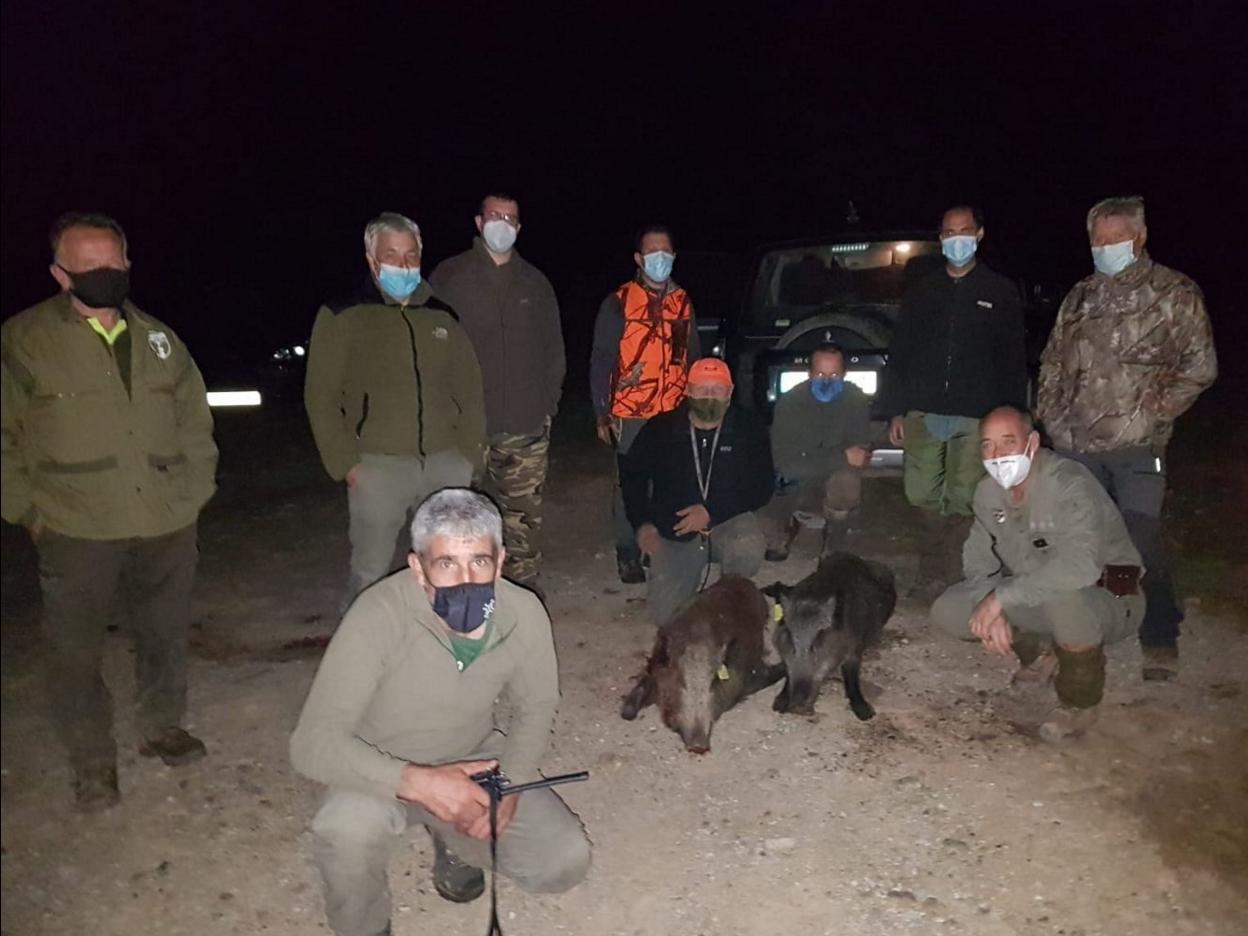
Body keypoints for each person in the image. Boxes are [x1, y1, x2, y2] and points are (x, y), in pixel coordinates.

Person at [290, 488, 591, 936]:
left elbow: (536, 706)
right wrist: (419, 781)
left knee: (564, 862)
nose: (466, 579)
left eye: (479, 562)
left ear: (501, 560)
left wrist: (507, 785)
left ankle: (451, 840)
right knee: (345, 830)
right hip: (383, 764)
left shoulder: (523, 613)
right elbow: (311, 745)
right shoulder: (378, 614)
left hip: (472, 755)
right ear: (418, 567)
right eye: (446, 564)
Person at [1, 212, 218, 811]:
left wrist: (195, 491)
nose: (103, 274)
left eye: (111, 263)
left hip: (165, 519)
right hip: (75, 524)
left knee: (164, 633)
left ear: (127, 265)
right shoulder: (22, 342)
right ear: (59, 273)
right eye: (87, 266)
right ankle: (92, 762)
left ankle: (161, 725)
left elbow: (195, 420)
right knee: (73, 650)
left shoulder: (160, 339)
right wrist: (27, 509)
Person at [1037, 196, 1216, 681]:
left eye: (1115, 238)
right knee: (1075, 540)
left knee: (1139, 540)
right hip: (1076, 445)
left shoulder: (1174, 293)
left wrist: (1149, 413)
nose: (1104, 247)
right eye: (1097, 239)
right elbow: (1053, 363)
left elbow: (1199, 368)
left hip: (1137, 448)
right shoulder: (1080, 297)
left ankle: (1159, 633)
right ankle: (1079, 634)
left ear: (1139, 238)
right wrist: (1051, 417)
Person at [305, 212, 486, 610]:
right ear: (372, 259)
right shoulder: (343, 315)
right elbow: (320, 396)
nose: (403, 265)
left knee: (449, 565)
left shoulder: (442, 316)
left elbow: (470, 389)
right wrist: (346, 464)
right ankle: (363, 658)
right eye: (392, 255)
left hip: (445, 463)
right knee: (371, 573)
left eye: (410, 255)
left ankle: (449, 643)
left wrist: (470, 456)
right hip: (378, 466)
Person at [931, 407, 1145, 742]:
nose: (997, 455)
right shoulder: (988, 492)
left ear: (1031, 443)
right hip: (1040, 597)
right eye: (987, 445)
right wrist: (988, 600)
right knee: (950, 609)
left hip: (1110, 599)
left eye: (1008, 442)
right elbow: (977, 558)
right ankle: (1041, 652)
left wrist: (1000, 598)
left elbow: (1080, 566)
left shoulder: (1068, 483)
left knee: (1061, 594)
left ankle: (1080, 702)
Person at [878, 205, 1027, 600]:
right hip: (924, 410)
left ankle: (950, 572)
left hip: (978, 413)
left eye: (964, 231)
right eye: (948, 232)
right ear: (940, 237)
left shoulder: (999, 291)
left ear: (978, 234)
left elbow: (1012, 357)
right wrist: (895, 408)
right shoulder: (923, 290)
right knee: (920, 492)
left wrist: (1013, 416)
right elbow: (901, 352)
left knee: (966, 495)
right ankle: (933, 561)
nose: (956, 238)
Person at [430, 194, 565, 590]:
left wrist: (547, 406)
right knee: (458, 523)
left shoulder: (536, 283)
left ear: (519, 228)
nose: (502, 224)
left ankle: (522, 602)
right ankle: (460, 600)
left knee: (522, 526)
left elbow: (554, 350)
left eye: (510, 218)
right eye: (494, 216)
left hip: (524, 428)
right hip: (462, 431)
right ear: (478, 221)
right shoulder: (449, 277)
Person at [620, 358, 773, 626]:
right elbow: (633, 478)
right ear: (688, 390)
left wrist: (712, 511)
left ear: (730, 392)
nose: (710, 396)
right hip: (675, 529)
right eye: (702, 389)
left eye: (717, 389)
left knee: (748, 545)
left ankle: (730, 594)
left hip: (727, 520)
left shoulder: (748, 428)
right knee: (667, 618)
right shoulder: (661, 428)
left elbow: (762, 485)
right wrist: (643, 525)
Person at [590, 225, 701, 584]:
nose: (660, 259)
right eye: (652, 253)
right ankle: (627, 552)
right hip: (630, 412)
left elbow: (692, 355)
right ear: (639, 259)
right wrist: (602, 412)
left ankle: (658, 545)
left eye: (665, 252)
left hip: (672, 409)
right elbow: (602, 360)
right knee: (628, 487)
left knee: (668, 480)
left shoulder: (682, 301)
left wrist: (696, 401)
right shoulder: (619, 302)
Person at [764, 342, 872, 560]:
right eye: (820, 373)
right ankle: (788, 526)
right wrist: (841, 457)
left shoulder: (856, 400)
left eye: (834, 374)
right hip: (794, 482)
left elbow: (859, 457)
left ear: (844, 374)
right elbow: (786, 465)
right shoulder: (789, 403)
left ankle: (834, 543)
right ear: (809, 373)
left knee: (846, 483)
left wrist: (821, 461)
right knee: (765, 529)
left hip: (828, 476)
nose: (826, 380)